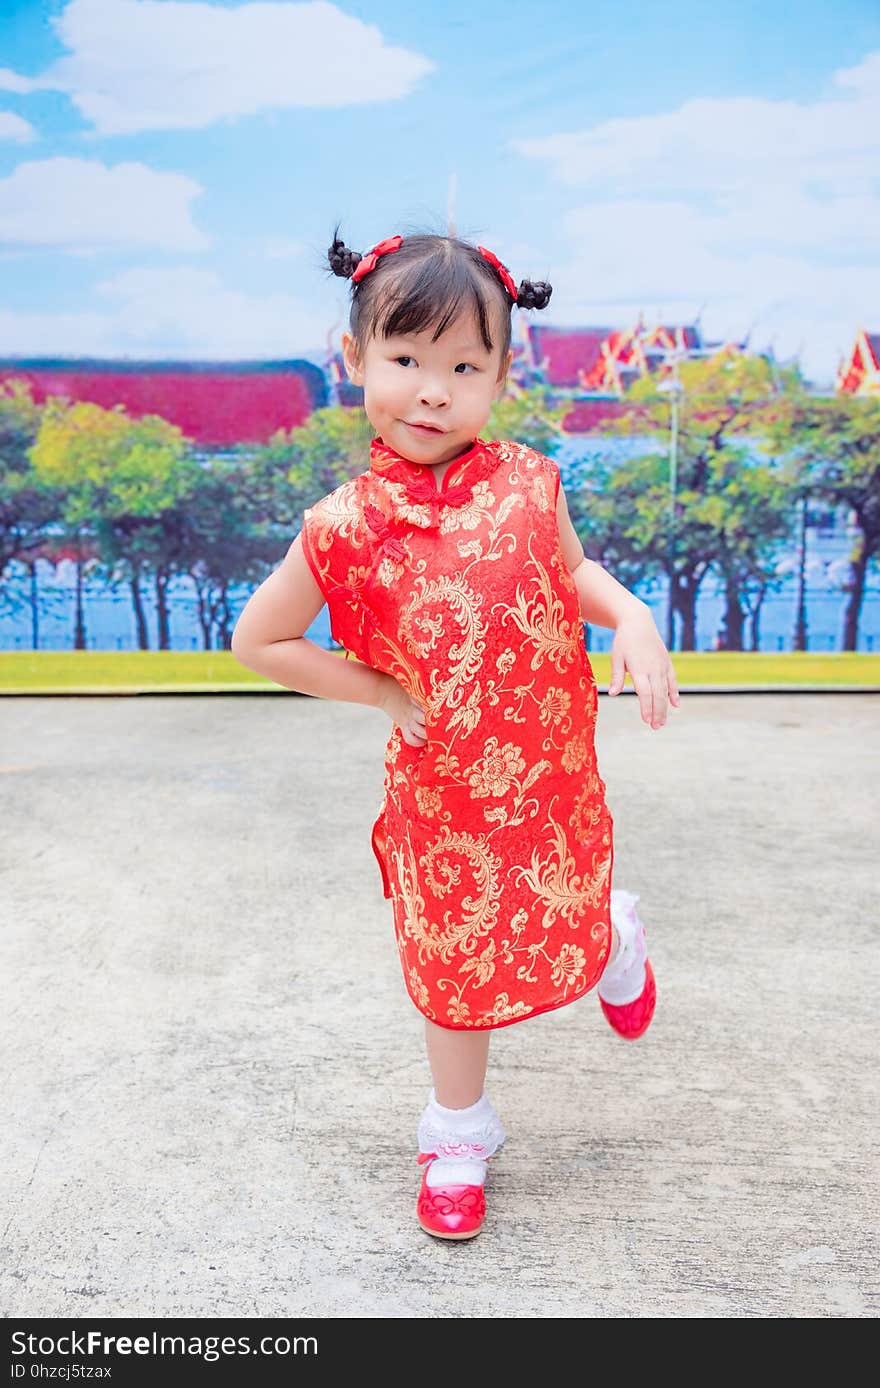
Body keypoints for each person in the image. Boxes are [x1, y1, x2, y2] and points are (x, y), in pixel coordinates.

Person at [231, 227, 681, 1241]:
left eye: (463, 366)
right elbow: (260, 639)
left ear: (501, 376)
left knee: (561, 893)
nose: (431, 390)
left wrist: (636, 616)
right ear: (351, 359)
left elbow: (572, 574)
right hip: (440, 794)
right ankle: (458, 1129)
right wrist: (381, 692)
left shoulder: (530, 482)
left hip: (547, 764)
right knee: (453, 960)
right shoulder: (339, 526)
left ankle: (610, 933)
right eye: (404, 359)